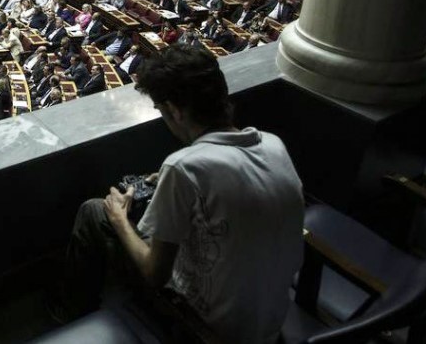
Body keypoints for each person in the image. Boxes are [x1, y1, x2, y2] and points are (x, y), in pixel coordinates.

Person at [52, 45, 304, 343]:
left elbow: (154, 274)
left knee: (95, 211)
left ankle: (67, 315)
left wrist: (119, 219)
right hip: (270, 324)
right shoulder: (273, 144)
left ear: (174, 110)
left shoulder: (183, 167)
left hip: (203, 330)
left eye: (161, 111)